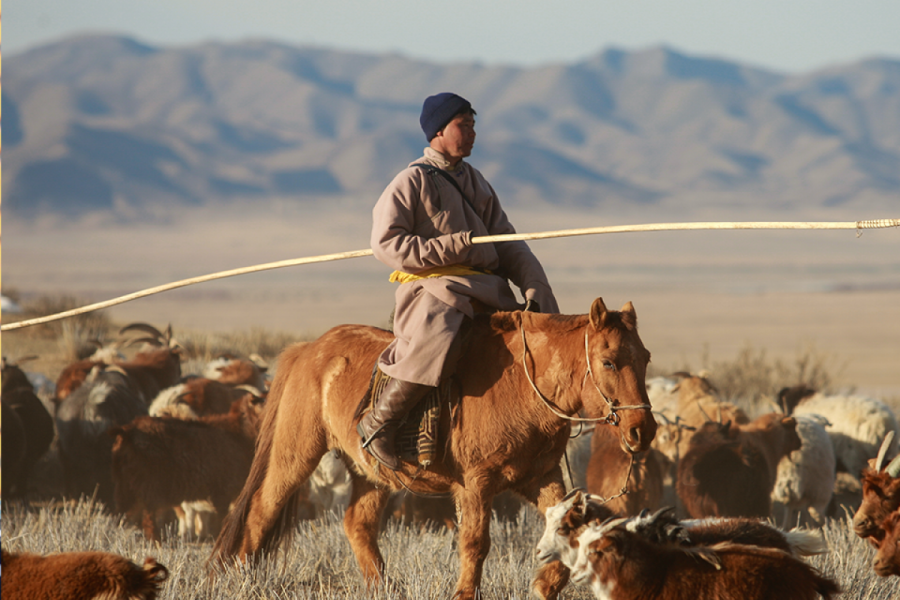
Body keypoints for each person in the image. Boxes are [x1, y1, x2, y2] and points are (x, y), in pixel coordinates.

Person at [358, 92, 559, 470]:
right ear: (437, 130)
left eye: (473, 125)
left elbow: (506, 241)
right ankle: (378, 423)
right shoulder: (410, 181)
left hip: (487, 289)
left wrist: (536, 287)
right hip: (435, 288)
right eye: (462, 126)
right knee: (439, 338)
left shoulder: (476, 181)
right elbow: (385, 244)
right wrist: (451, 247)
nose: (472, 133)